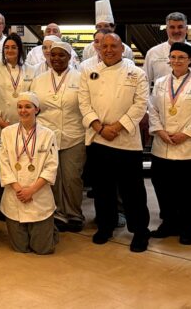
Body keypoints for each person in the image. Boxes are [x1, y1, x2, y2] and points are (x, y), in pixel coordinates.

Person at [143, 12, 191, 228]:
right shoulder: (155, 60)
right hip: (163, 138)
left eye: (180, 27)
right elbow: (151, 102)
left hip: (190, 139)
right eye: (172, 27)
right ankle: (169, 220)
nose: (176, 30)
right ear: (166, 28)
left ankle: (190, 221)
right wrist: (159, 130)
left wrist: (186, 133)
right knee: (163, 182)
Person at [78, 33, 151, 252]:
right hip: (99, 139)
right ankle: (105, 226)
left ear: (122, 49)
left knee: (133, 190)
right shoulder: (89, 73)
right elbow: (84, 103)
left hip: (126, 140)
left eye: (113, 46)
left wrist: (117, 127)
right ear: (98, 49)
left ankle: (140, 231)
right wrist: (99, 127)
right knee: (102, 189)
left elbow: (140, 105)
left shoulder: (136, 73)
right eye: (104, 46)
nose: (108, 50)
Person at [32, 41, 86, 232]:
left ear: (69, 57)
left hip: (74, 135)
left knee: (72, 177)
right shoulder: (39, 79)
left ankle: (74, 214)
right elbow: (34, 107)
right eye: (52, 55)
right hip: (47, 136)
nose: (56, 58)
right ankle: (57, 214)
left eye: (61, 55)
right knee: (52, 177)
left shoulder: (80, 78)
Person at [0, 92, 60, 254]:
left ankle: (50, 229)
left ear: (36, 109)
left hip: (38, 195)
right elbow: (4, 163)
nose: (23, 111)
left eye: (28, 107)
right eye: (20, 107)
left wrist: (31, 190)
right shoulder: (7, 133)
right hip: (15, 194)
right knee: (20, 248)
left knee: (43, 249)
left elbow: (51, 166)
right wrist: (19, 189)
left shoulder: (48, 135)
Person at [0, 33, 36, 136]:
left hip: (26, 122)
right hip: (2, 123)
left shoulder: (31, 70)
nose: (9, 50)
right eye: (6, 47)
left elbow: (34, 98)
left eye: (13, 47)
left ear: (19, 49)